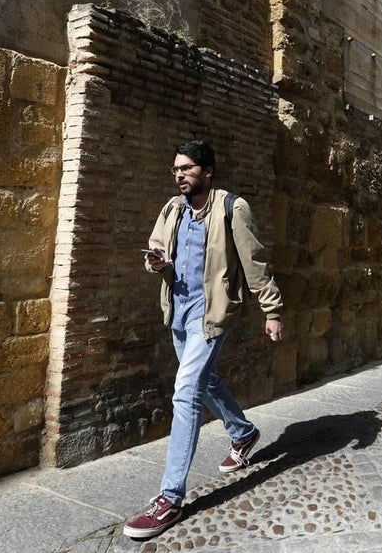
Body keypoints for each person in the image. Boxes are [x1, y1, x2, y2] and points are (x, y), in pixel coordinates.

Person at [123, 140, 284, 540]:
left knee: (186, 392)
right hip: (177, 311)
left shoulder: (233, 208)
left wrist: (272, 310)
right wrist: (155, 261)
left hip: (211, 315)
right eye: (176, 169)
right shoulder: (172, 209)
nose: (179, 175)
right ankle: (243, 433)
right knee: (205, 381)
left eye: (187, 168)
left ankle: (169, 498)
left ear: (207, 172)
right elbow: (156, 247)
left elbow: (255, 262)